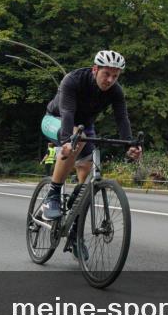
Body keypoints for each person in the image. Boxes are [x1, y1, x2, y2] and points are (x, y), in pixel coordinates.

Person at [39, 50, 142, 221]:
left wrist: (130, 145)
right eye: (106, 74)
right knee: (77, 139)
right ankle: (53, 196)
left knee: (87, 166)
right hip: (54, 119)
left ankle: (76, 208)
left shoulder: (116, 91)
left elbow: (122, 118)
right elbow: (67, 112)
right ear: (95, 69)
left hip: (84, 128)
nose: (110, 80)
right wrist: (66, 141)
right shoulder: (73, 80)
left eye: (115, 76)